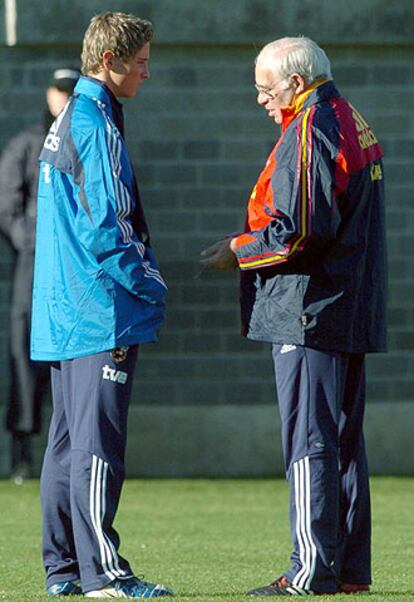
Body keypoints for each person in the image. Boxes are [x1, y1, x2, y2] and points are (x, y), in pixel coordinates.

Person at [201, 36, 387, 596]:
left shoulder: (310, 128)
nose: (261, 100)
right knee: (343, 444)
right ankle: (347, 569)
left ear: (297, 83)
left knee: (310, 441)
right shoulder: (349, 117)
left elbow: (301, 230)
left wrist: (238, 250)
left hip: (311, 309)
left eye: (266, 88)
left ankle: (309, 571)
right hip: (348, 306)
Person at [30, 12, 172, 599]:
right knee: (95, 447)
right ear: (109, 61)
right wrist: (151, 284)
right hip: (99, 310)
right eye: (139, 62)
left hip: (65, 312)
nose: (146, 72)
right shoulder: (93, 121)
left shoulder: (70, 117)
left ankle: (63, 570)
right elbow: (107, 228)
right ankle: (102, 575)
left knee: (65, 447)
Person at [0, 67, 80, 484]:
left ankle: (68, 452)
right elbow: (7, 204)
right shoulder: (28, 143)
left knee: (72, 359)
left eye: (71, 91)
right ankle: (21, 455)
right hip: (35, 267)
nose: (64, 99)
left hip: (75, 267)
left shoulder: (86, 140)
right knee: (24, 353)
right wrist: (33, 242)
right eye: (59, 91)